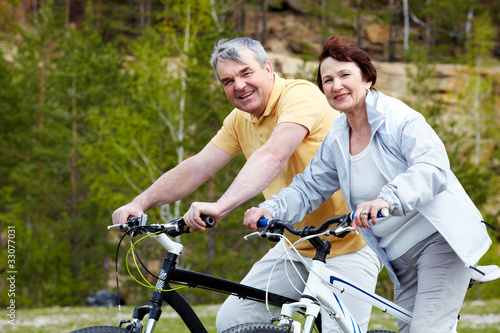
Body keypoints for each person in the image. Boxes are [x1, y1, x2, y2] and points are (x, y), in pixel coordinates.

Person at [112, 37, 382, 332]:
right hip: (296, 246)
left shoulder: (300, 95)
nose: (238, 85)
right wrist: (140, 202)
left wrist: (219, 206)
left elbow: (274, 155)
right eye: (228, 81)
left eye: (245, 73)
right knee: (234, 320)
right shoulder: (239, 120)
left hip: (350, 244)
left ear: (268, 68)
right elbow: (198, 166)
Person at [244, 36, 492, 333]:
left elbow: (432, 167)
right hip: (399, 259)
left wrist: (387, 199)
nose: (336, 86)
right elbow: (309, 187)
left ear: (367, 77)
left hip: (437, 242)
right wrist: (271, 208)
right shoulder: (337, 137)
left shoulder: (398, 118)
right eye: (327, 80)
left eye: (345, 75)